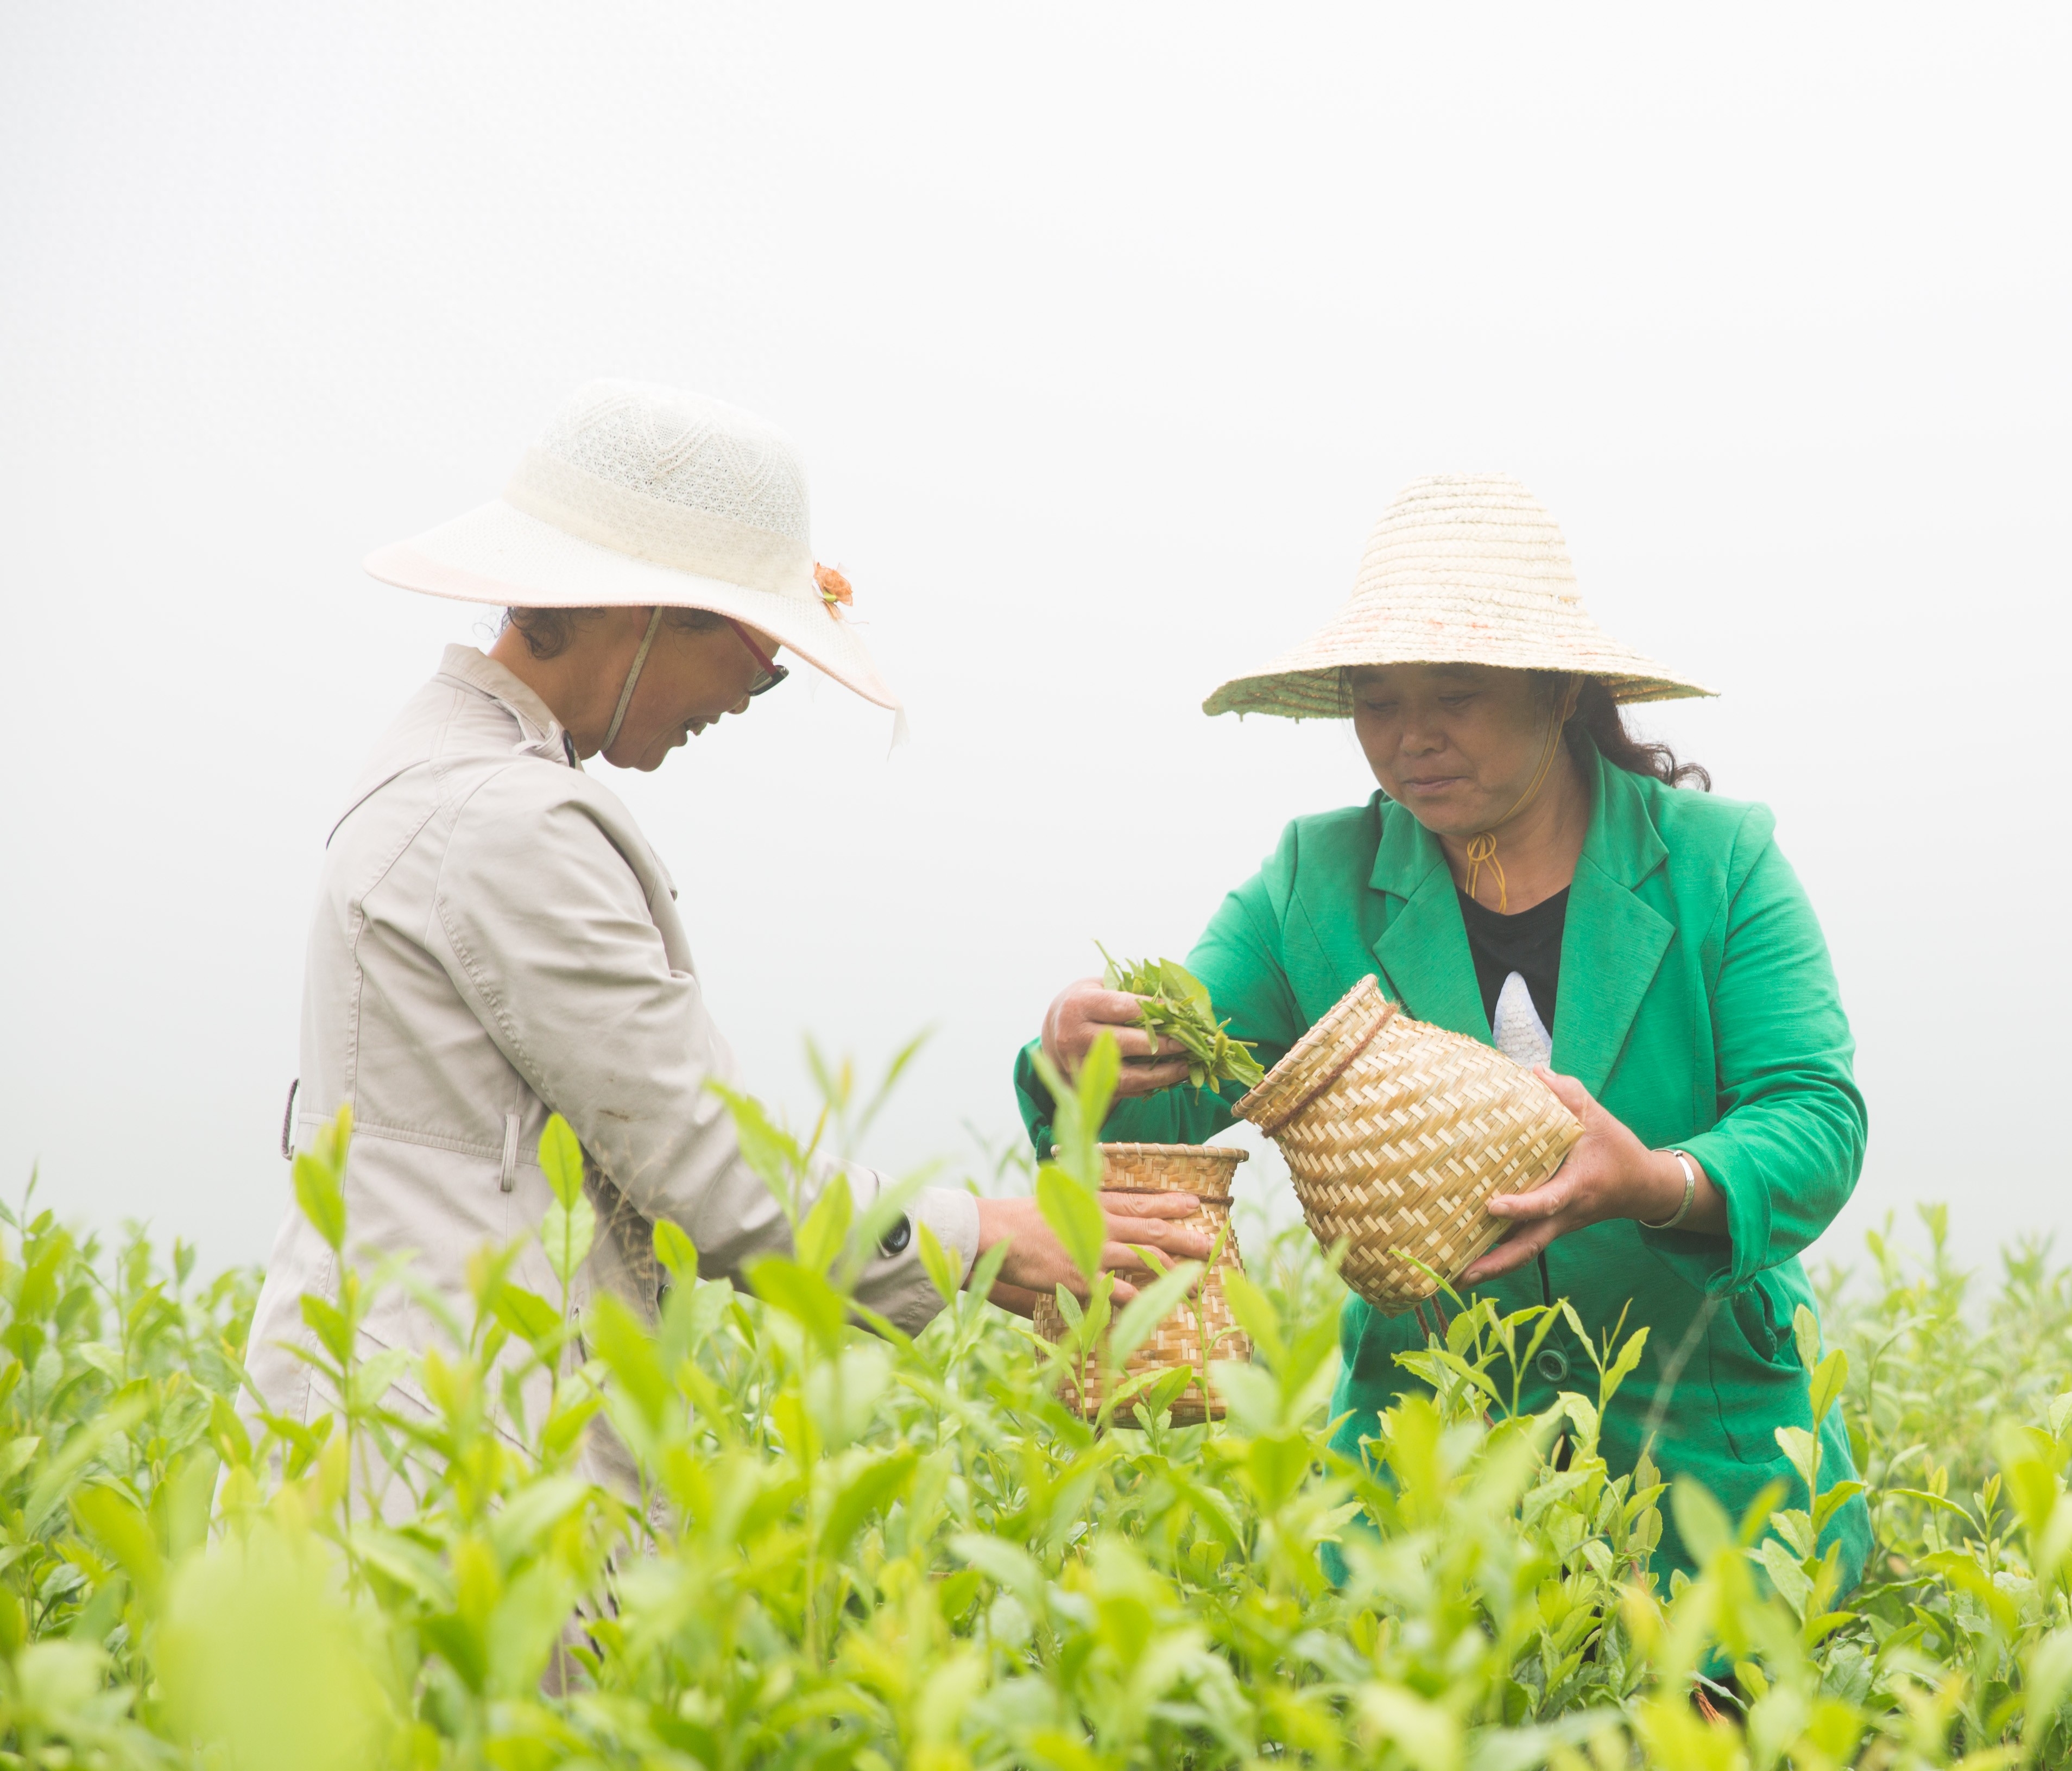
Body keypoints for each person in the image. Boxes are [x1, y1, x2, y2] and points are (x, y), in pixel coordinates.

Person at [252, 378, 1203, 1511]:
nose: (761, 688)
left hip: (407, 1425)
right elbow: (704, 1165)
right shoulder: (511, 824)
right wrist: (986, 1234)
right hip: (455, 1463)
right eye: (760, 644)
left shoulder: (442, 775)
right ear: (644, 610)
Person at [1014, 474, 1874, 1599]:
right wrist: (1083, 1064)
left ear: (1558, 691)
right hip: (1426, 1448)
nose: (1409, 738)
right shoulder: (1313, 889)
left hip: (1703, 1433)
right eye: (1376, 701)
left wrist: (1659, 1182)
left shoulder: (1717, 862)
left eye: (1455, 695)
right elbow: (1173, 1111)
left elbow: (1812, 1116)